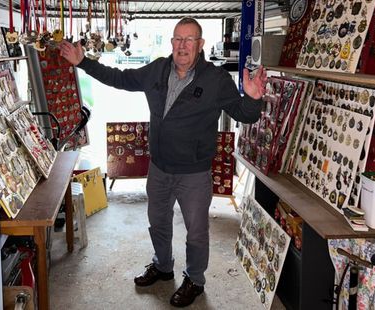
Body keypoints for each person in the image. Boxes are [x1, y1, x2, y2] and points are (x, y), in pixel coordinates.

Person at [59, 17, 267, 307]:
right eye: (178, 39)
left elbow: (245, 113)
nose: (182, 45)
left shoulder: (215, 80)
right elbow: (119, 78)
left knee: (196, 232)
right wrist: (84, 62)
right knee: (157, 222)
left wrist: (254, 98)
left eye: (189, 39)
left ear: (200, 44)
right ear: (171, 42)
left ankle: (195, 279)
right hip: (159, 168)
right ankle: (163, 266)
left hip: (194, 173)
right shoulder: (157, 69)